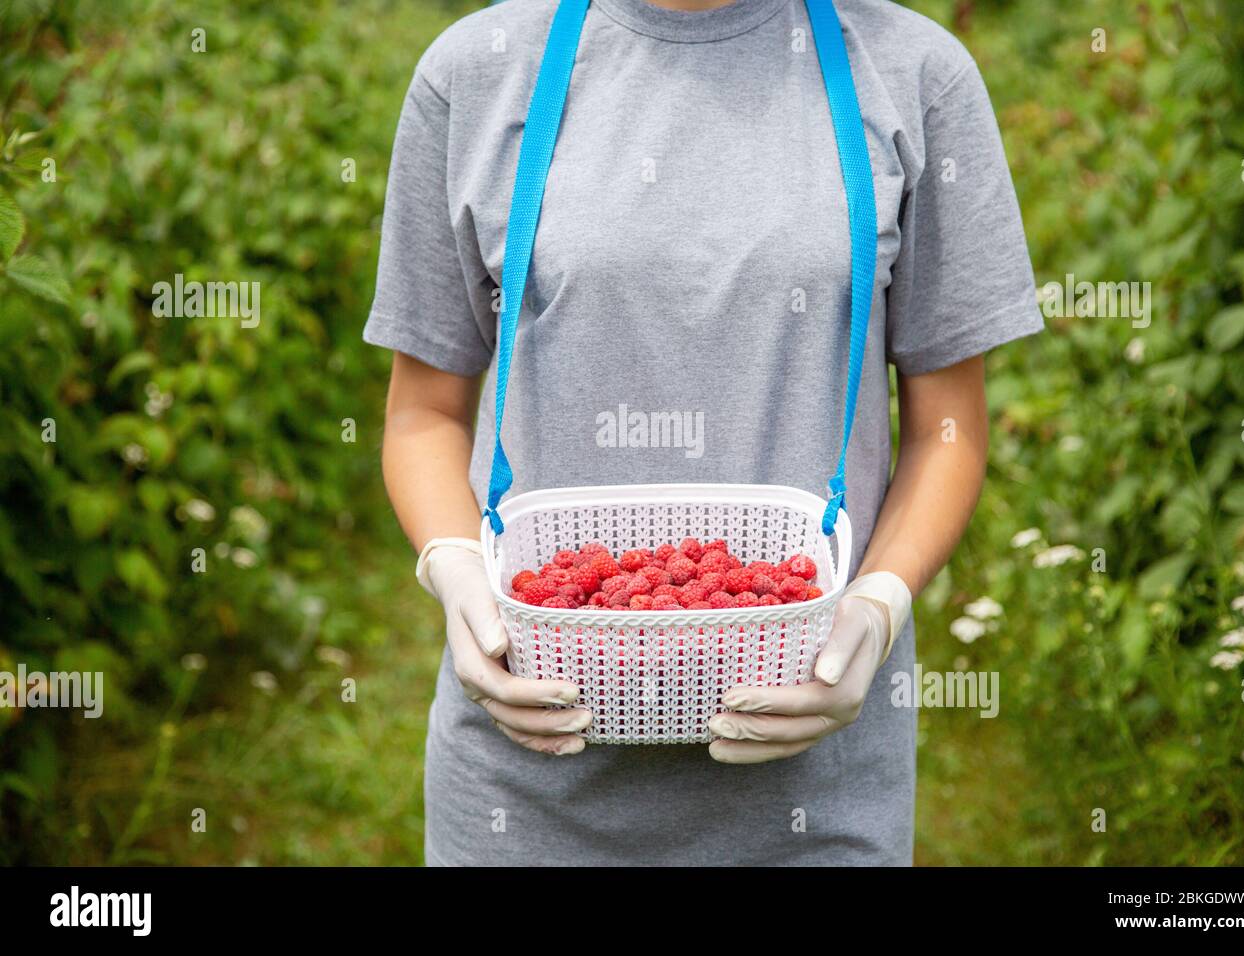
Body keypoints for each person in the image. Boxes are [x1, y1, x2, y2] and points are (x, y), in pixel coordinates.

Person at [363, 0, 1042, 865]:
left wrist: (875, 605)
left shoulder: (913, 72)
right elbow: (424, 414)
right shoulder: (479, 71)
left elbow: (948, 429)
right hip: (526, 783)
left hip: (814, 792)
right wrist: (456, 569)